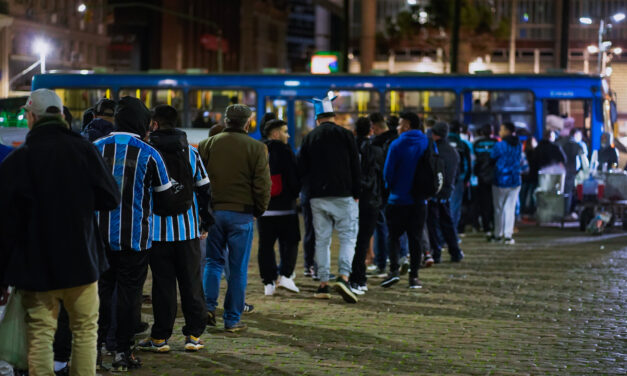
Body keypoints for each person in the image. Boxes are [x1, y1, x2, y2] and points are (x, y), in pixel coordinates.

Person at [0, 89, 120, 376]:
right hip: (83, 262)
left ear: (31, 117)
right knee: (85, 331)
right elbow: (111, 198)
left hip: (37, 268)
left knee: (40, 334)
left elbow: (5, 226)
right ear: (62, 115)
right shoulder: (85, 151)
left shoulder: (19, 160)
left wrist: (3, 278)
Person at [94, 97, 189, 371]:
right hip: (135, 239)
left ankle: (96, 349)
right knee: (129, 295)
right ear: (143, 122)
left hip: (99, 238)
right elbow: (166, 199)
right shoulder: (149, 153)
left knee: (101, 292)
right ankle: (122, 352)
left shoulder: (95, 148)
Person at [137, 105, 212, 353]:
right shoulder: (191, 153)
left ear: (154, 124)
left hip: (157, 233)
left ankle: (160, 338)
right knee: (192, 284)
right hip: (188, 231)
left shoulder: (147, 153)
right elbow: (205, 189)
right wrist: (204, 222)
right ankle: (193, 336)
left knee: (163, 286)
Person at [199, 104, 271, 332]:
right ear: (247, 123)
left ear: (226, 119)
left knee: (213, 262)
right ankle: (231, 320)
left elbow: (198, 182)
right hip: (242, 213)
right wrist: (258, 210)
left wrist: (203, 211)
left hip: (213, 212)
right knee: (237, 268)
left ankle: (207, 307)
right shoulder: (257, 148)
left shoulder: (207, 144)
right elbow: (262, 185)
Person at [297, 96, 360, 303]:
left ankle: (323, 283)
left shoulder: (310, 137)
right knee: (347, 237)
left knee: (322, 240)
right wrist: (357, 192)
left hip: (317, 196)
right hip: (344, 194)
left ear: (317, 119)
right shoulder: (346, 135)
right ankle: (343, 277)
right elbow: (355, 165)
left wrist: (304, 192)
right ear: (334, 117)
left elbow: (301, 169)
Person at [380, 112, 429, 289]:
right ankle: (414, 277)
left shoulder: (397, 144)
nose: (398, 128)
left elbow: (388, 173)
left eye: (400, 124)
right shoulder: (427, 142)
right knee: (415, 238)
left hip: (398, 200)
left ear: (407, 126)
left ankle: (393, 271)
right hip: (419, 201)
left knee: (393, 237)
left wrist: (391, 187)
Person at [257, 119, 301, 296]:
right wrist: (295, 194)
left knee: (265, 246)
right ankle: (285, 275)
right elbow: (293, 176)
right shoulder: (285, 150)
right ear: (275, 134)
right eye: (285, 131)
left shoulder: (258, 149)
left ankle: (268, 282)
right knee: (290, 242)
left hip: (264, 208)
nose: (288, 135)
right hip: (285, 208)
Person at [349, 117, 383, 294]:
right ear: (371, 131)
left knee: (350, 239)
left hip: (351, 199)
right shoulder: (376, 151)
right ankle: (359, 278)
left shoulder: (349, 149)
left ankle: (349, 276)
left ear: (355, 131)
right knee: (363, 240)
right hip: (370, 200)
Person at [427, 122, 464, 263]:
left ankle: (436, 253)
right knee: (447, 222)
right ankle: (455, 251)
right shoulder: (452, 151)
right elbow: (458, 172)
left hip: (434, 191)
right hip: (447, 191)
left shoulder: (433, 149)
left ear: (434, 134)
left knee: (432, 223)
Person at [490, 122, 527, 245]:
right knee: (510, 208)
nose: (499, 132)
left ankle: (498, 234)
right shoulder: (518, 145)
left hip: (500, 179)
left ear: (507, 131)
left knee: (498, 207)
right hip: (515, 179)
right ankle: (508, 234)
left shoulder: (500, 145)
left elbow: (492, 157)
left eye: (501, 129)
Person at [473, 124, 497, 237]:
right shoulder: (496, 143)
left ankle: (486, 225)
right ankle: (493, 224)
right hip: (494, 176)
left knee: (483, 202)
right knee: (493, 202)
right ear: (491, 132)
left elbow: (474, 160)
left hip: (481, 177)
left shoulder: (477, 144)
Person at [447, 120, 472, 234]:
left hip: (444, 178)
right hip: (458, 179)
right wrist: (466, 178)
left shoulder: (443, 142)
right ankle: (453, 233)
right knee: (455, 207)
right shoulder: (463, 144)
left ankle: (443, 235)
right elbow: (469, 164)